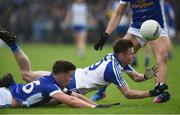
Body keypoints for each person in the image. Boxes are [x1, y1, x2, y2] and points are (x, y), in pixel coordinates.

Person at [0, 28, 170, 104]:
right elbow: (128, 94)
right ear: (122, 54)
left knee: (26, 75)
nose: (133, 56)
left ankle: (14, 46)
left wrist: (147, 76)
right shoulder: (114, 68)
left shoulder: (115, 59)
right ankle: (11, 88)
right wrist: (151, 92)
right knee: (38, 100)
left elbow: (135, 77)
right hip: (72, 84)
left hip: (73, 76)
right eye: (131, 53)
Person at [94, 0, 171, 103]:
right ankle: (100, 92)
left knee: (162, 56)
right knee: (117, 58)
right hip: (136, 29)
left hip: (157, 27)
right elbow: (118, 13)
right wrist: (106, 34)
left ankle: (160, 91)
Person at [0, 60, 102, 108]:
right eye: (70, 76)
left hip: (9, 90)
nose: (71, 80)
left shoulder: (49, 79)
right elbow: (71, 101)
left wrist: (96, 105)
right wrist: (92, 107)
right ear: (61, 76)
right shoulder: (51, 86)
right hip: (6, 98)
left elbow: (76, 95)